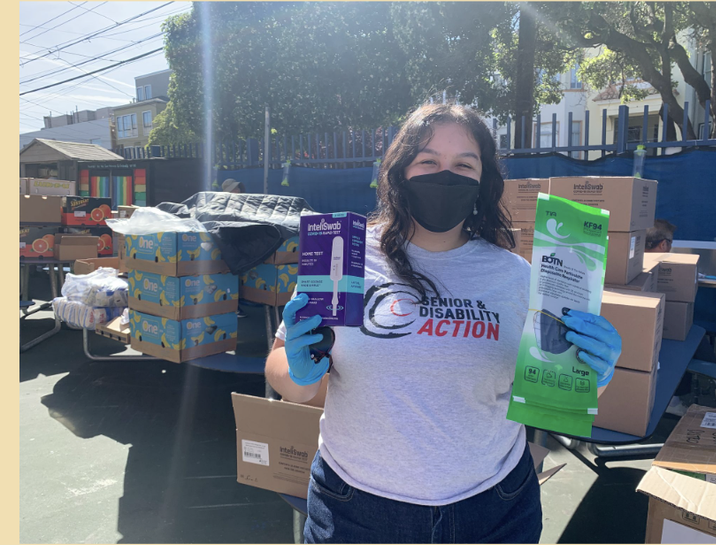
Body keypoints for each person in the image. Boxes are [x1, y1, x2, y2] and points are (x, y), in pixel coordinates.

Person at [260, 103, 623, 544]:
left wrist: (594, 374)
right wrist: (297, 369)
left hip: (494, 508)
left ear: (483, 180)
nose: (444, 175)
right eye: (428, 161)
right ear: (399, 172)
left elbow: (555, 392)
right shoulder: (346, 258)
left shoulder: (519, 277)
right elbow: (287, 374)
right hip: (356, 510)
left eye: (463, 164)